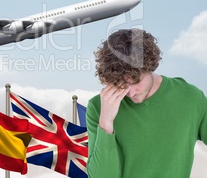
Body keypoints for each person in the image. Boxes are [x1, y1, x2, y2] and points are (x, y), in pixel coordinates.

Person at [86, 28, 207, 178]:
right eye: (120, 83)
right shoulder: (98, 107)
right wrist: (105, 123)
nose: (130, 92)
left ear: (150, 67)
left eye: (136, 81)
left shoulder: (190, 98)